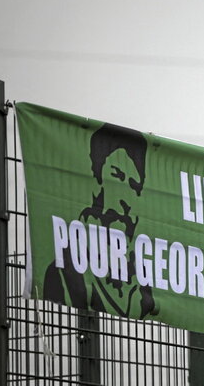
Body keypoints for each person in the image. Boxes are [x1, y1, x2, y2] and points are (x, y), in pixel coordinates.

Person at [44, 122, 157, 319]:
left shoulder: (144, 285)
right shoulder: (64, 271)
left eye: (134, 185)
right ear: (96, 179)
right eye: (117, 177)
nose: (125, 198)